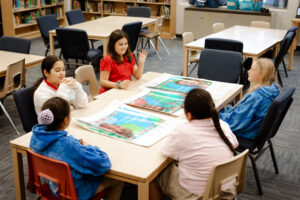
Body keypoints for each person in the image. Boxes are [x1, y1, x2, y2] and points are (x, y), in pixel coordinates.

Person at [150, 88, 239, 200]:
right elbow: (235, 144)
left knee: (155, 176)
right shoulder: (223, 125)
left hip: (199, 196)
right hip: (227, 191)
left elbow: (165, 151)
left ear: (189, 115)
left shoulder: (183, 132)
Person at [30, 97, 123, 200]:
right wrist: (89, 147)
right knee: (117, 180)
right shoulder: (68, 146)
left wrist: (76, 144)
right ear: (66, 120)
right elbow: (103, 164)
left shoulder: (36, 138)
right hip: (73, 193)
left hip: (54, 187)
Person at [219, 58, 280, 140]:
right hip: (255, 128)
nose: (248, 71)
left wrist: (217, 113)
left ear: (261, 75)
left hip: (246, 133)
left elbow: (233, 123)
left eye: (252, 70)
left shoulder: (256, 97)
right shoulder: (271, 89)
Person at [99, 29, 147, 94]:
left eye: (126, 44)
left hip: (124, 90)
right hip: (111, 92)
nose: (124, 47)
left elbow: (137, 76)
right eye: (120, 44)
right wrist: (119, 85)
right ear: (113, 45)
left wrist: (141, 64)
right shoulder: (108, 60)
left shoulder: (129, 55)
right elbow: (102, 82)